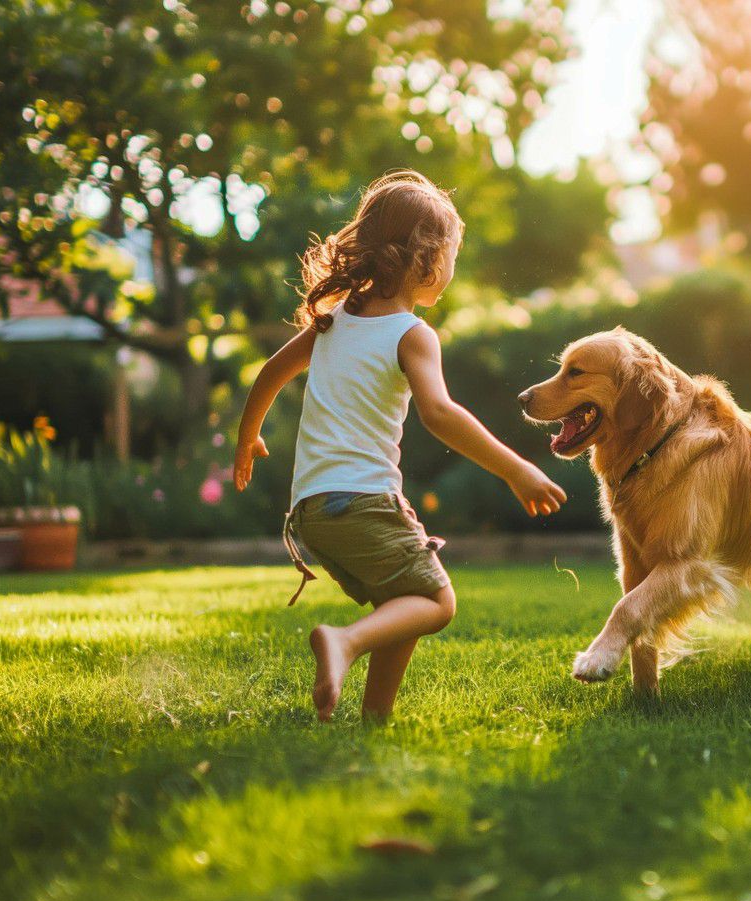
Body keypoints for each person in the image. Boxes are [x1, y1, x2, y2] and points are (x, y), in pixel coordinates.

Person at [233, 169, 567, 720]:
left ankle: (375, 719)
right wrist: (515, 469)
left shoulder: (334, 320)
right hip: (363, 502)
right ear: (427, 259)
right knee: (436, 601)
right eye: (454, 256)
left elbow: (270, 372)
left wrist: (248, 438)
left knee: (401, 601)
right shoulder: (411, 333)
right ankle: (344, 643)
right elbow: (439, 413)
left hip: (312, 511)